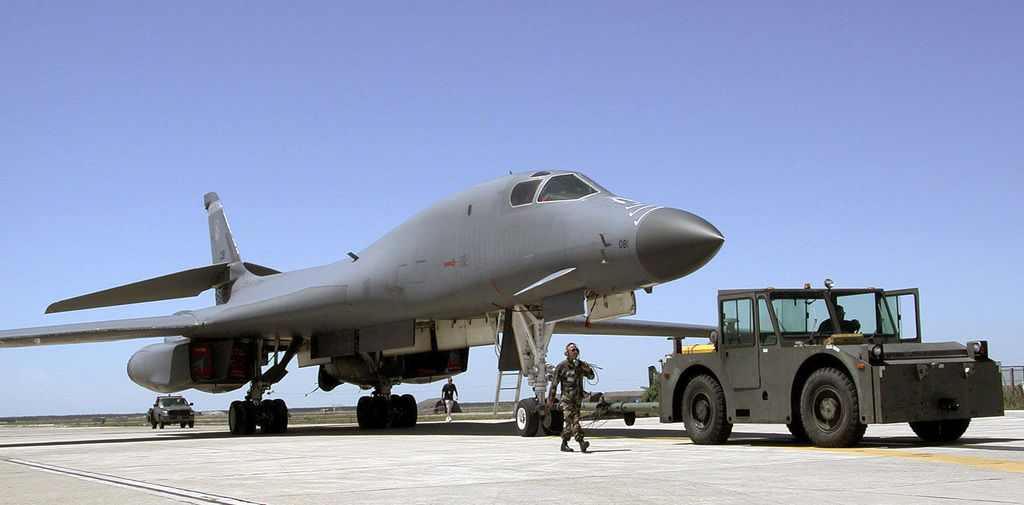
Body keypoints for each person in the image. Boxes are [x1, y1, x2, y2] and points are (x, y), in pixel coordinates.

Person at [547, 342, 595, 453]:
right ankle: (581, 441)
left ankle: (564, 443)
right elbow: (554, 383)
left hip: (577, 399)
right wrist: (550, 398)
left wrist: (587, 369)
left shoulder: (580, 366)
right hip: (567, 400)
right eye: (572, 350)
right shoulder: (562, 366)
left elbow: (591, 377)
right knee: (574, 419)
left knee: (569, 422)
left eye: (576, 350)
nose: (575, 352)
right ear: (567, 352)